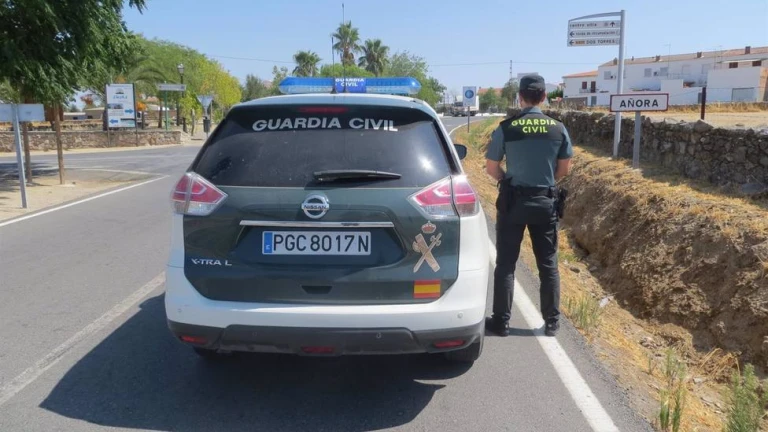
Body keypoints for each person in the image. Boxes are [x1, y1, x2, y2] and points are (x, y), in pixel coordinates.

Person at [484, 73, 573, 337]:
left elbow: (491, 168)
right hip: (544, 202)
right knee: (548, 264)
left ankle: (501, 322)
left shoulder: (507, 128)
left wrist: (507, 180)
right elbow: (564, 170)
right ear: (544, 97)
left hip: (513, 203)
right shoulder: (558, 129)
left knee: (506, 264)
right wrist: (543, 182)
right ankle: (552, 322)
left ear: (520, 97)